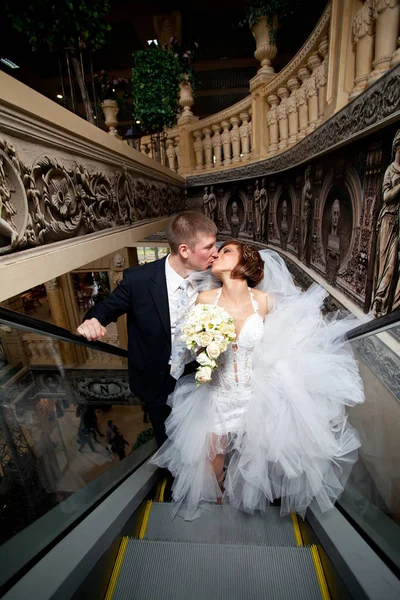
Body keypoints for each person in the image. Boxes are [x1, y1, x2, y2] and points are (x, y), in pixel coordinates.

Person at [151, 240, 365, 521]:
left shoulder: (264, 302)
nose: (217, 253)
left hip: (256, 396)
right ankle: (217, 516)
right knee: (211, 467)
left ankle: (247, 517)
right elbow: (189, 348)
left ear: (244, 262)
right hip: (216, 396)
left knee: (254, 465)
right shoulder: (205, 300)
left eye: (226, 251)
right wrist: (203, 344)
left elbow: (297, 330)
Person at [77, 211, 219, 448]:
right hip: (154, 384)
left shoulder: (214, 277)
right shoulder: (139, 280)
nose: (216, 252)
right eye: (209, 247)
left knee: (197, 444)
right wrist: (92, 321)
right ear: (184, 250)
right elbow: (104, 310)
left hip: (197, 381)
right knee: (167, 443)